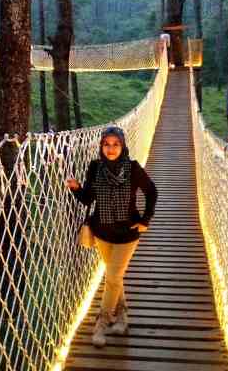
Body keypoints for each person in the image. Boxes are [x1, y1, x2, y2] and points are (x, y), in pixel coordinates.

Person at [66, 126, 157, 348]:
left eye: (116, 144)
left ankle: (101, 324)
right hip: (102, 233)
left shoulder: (133, 168)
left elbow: (152, 191)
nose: (111, 148)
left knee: (113, 277)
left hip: (127, 234)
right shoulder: (95, 167)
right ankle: (123, 317)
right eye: (106, 144)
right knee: (115, 277)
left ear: (123, 145)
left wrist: (145, 220)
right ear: (101, 146)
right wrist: (76, 188)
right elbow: (88, 199)